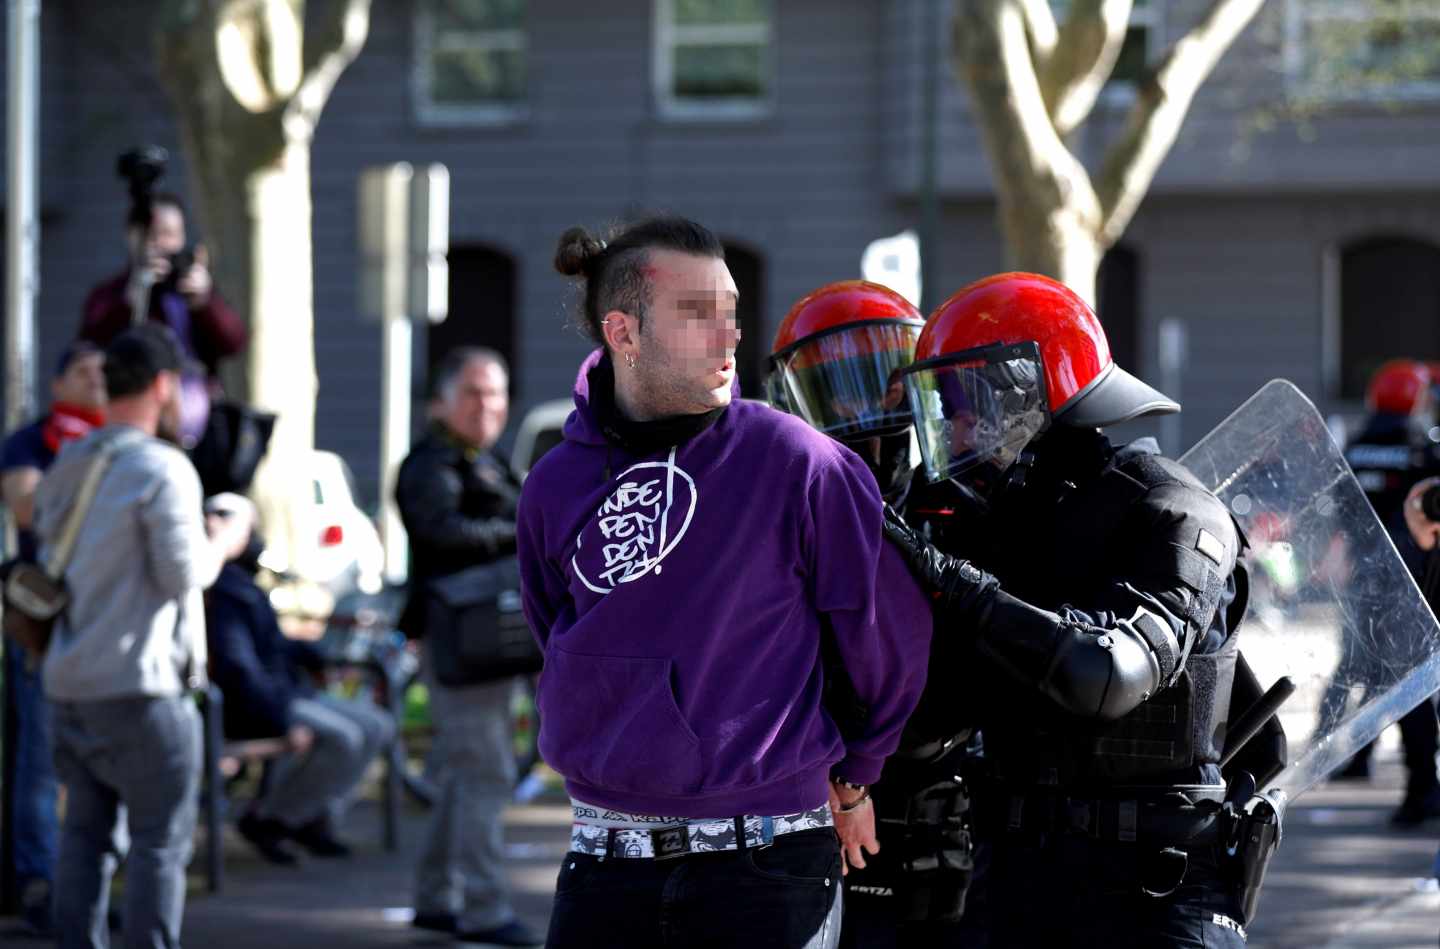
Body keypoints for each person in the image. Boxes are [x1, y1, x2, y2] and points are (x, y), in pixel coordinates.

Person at [518, 218, 933, 949]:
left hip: (768, 865)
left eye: (732, 313)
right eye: (696, 312)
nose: (729, 335)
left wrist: (860, 773)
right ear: (624, 331)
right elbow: (552, 628)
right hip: (604, 862)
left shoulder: (798, 461)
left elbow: (884, 636)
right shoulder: (554, 483)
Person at [881, 273, 1259, 948]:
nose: (957, 427)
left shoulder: (1176, 511)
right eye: (947, 407)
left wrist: (952, 584)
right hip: (1010, 880)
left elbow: (1104, 676)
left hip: (1153, 891)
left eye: (969, 403)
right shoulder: (994, 524)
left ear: (1033, 393)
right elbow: (922, 724)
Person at [768, 281, 982, 948]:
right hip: (821, 801)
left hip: (946, 798)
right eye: (843, 386)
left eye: (885, 382)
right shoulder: (784, 510)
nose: (868, 409)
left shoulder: (966, 498)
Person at [37, 325, 251, 949]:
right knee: (160, 843)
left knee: (85, 838)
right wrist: (227, 537)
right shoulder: (162, 467)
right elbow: (183, 572)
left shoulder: (71, 460)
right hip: (143, 686)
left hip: (68, 681)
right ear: (162, 387)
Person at [396, 347, 540, 947]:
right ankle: (483, 909)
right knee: (485, 772)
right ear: (441, 402)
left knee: (462, 774)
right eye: (474, 393)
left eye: (497, 393)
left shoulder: (483, 458)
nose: (488, 405)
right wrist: (523, 529)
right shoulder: (429, 463)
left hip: (484, 640)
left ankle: (435, 899)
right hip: (461, 640)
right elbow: (441, 532)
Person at [202, 492, 395, 865]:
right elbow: (237, 666)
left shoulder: (241, 584)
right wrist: (278, 719)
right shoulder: (225, 589)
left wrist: (315, 655)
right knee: (346, 737)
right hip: (258, 706)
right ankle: (272, 818)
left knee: (378, 725)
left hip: (284, 692)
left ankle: (311, 815)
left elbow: (269, 646)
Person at [0, 341, 107, 936]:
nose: (96, 383)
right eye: (84, 373)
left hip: (105, 620)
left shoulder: (121, 445)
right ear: (58, 383)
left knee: (94, 761)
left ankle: (83, 885)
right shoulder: (33, 441)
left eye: (104, 374)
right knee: (39, 759)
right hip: (45, 619)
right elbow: (27, 510)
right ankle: (38, 884)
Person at [1333, 360, 1440, 825]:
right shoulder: (1421, 447)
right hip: (1418, 577)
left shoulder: (1356, 447)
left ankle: (1364, 760)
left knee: (1373, 674)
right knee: (1414, 684)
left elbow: (1341, 508)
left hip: (1367, 578)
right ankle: (1422, 788)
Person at [78, 192, 247, 446]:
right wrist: (131, 299)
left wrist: (205, 301)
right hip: (136, 420)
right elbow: (91, 341)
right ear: (132, 237)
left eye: (169, 234)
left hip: (199, 423)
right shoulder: (113, 294)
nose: (160, 244)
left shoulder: (192, 292)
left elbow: (234, 342)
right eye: (152, 234)